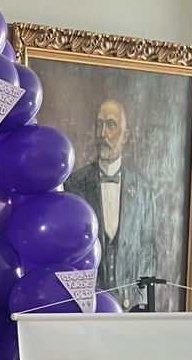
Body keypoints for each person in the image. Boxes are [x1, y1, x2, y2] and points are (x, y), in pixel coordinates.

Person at [65, 98, 157, 309]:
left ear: (125, 136)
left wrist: (143, 308)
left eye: (111, 125)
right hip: (87, 311)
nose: (103, 134)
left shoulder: (142, 190)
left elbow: (147, 255)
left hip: (130, 312)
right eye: (99, 125)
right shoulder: (74, 185)